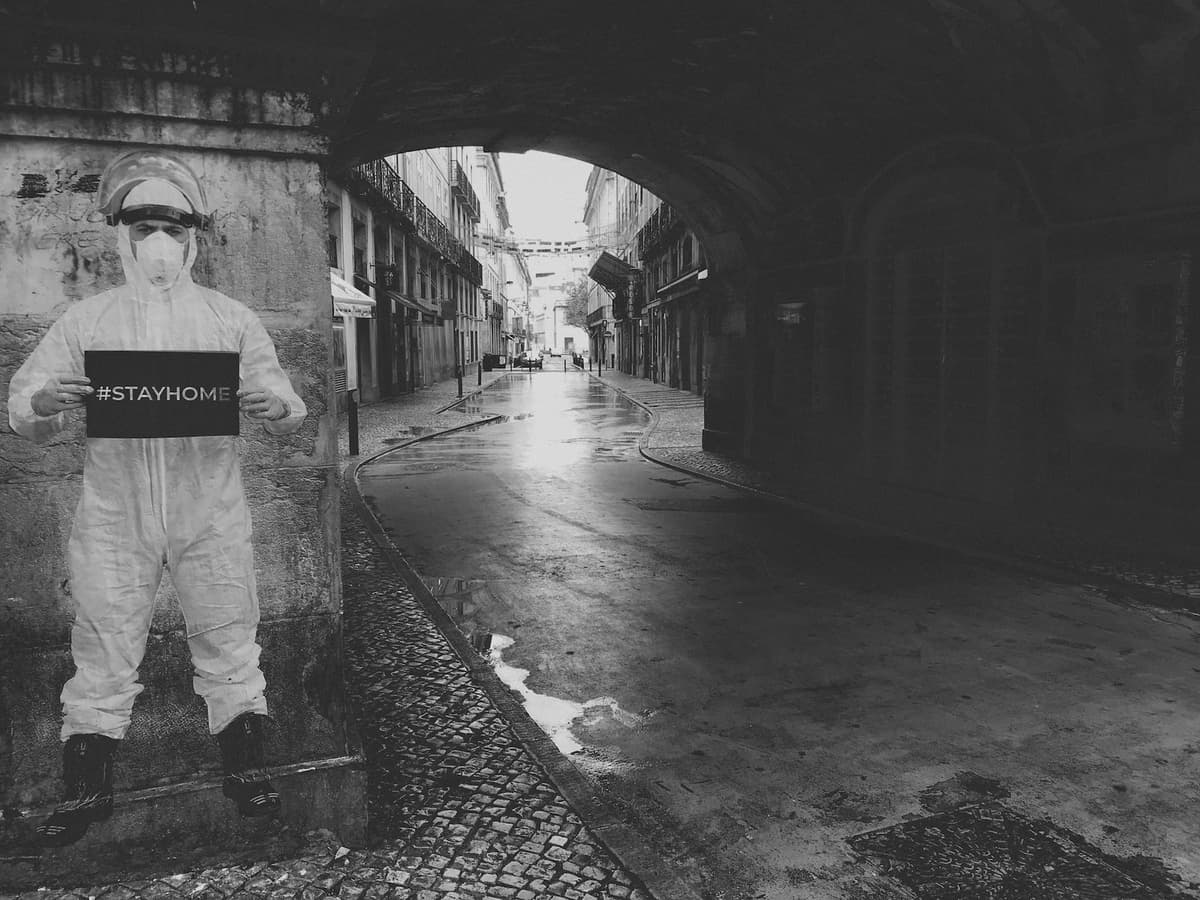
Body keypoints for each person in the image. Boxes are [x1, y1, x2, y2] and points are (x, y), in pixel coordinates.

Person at [7, 149, 307, 845]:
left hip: (210, 508)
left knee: (229, 630)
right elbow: (24, 403)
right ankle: (87, 789)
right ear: (121, 234)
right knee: (103, 639)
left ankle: (246, 772)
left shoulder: (231, 321)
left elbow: (288, 400)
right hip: (115, 513)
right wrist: (43, 402)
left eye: (171, 226)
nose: (159, 243)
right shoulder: (86, 323)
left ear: (193, 234)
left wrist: (274, 405)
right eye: (143, 227)